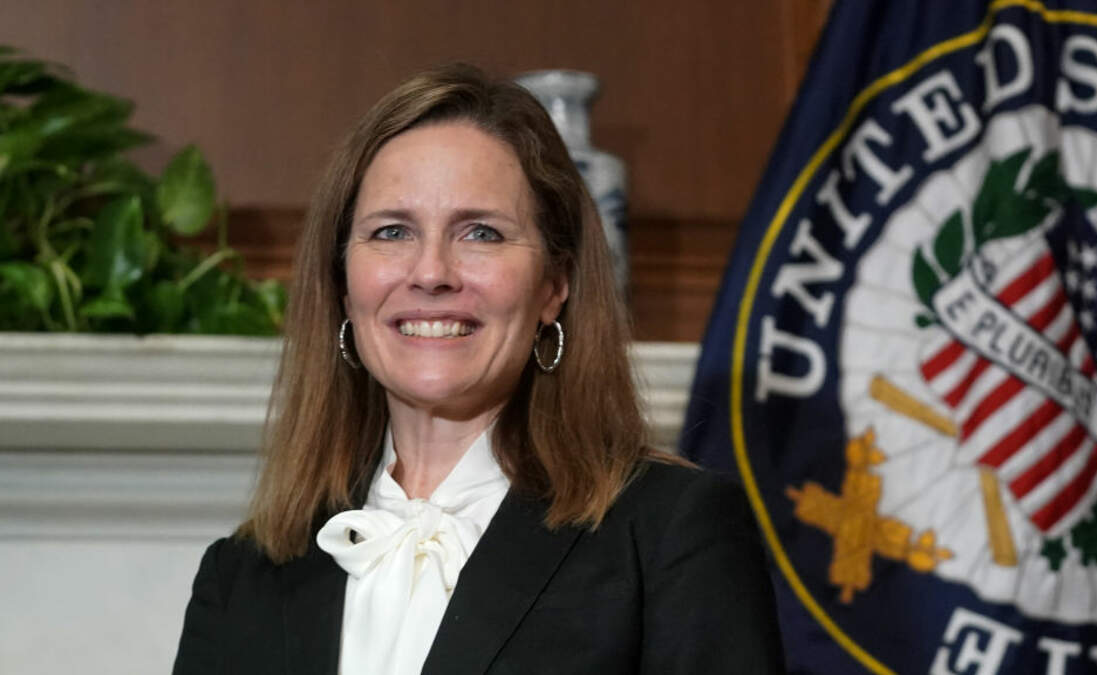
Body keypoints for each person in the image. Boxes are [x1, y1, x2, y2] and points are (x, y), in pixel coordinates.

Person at [172, 63, 784, 674]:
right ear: (342, 285)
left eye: (481, 233)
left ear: (554, 285)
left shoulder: (669, 534)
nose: (431, 272)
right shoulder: (241, 577)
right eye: (392, 231)